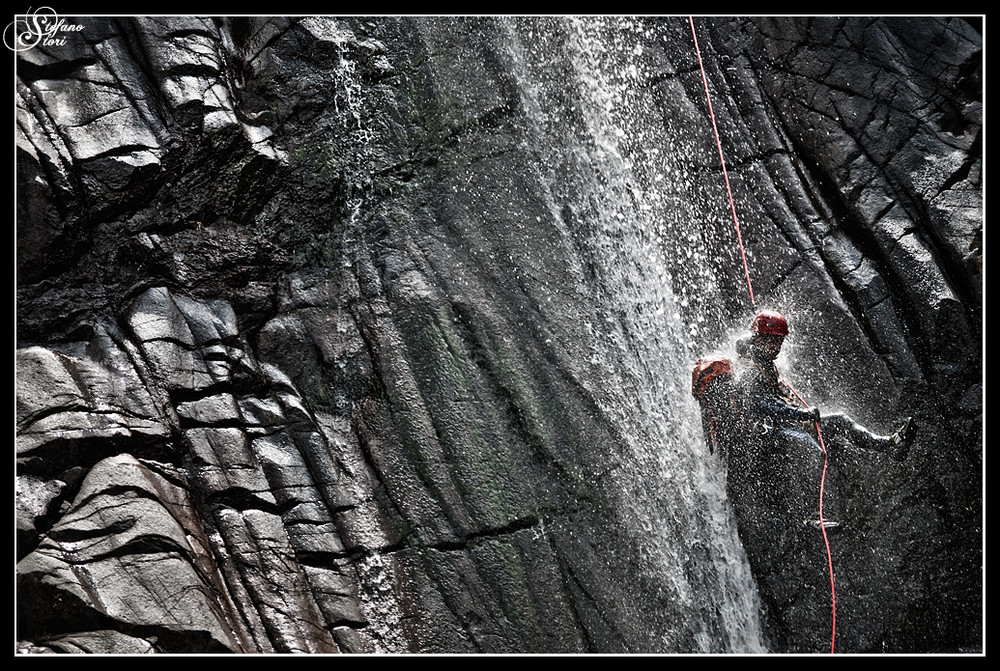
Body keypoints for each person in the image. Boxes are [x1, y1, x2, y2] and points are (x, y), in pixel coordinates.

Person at [730, 309, 915, 528]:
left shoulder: (766, 364)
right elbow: (760, 404)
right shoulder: (751, 370)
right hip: (765, 435)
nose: (777, 347)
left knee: (840, 421)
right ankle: (808, 516)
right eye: (772, 341)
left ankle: (890, 444)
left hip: (784, 426)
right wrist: (800, 413)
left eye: (779, 341)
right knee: (809, 449)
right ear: (759, 338)